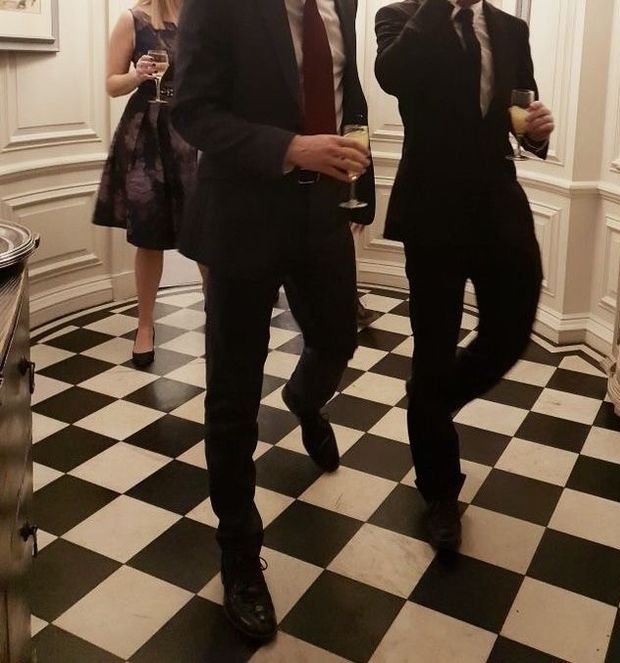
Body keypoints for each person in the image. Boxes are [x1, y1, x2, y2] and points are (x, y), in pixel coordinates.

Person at [172, 0, 375, 642]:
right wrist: (288, 147)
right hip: (243, 219)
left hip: (323, 219)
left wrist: (357, 176)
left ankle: (304, 398)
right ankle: (239, 555)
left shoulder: (339, 4)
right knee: (233, 396)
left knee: (338, 339)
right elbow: (192, 110)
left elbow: (349, 96)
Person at [375, 0, 554, 551]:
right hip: (432, 204)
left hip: (498, 200)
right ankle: (440, 495)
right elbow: (392, 76)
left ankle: (430, 403)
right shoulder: (400, 17)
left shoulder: (509, 28)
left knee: (511, 328)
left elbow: (519, 112)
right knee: (433, 344)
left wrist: (537, 132)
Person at [93, 0, 206, 368]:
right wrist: (137, 76)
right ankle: (144, 326)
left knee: (204, 232)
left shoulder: (200, 15)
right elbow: (111, 84)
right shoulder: (134, 19)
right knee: (149, 234)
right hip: (148, 134)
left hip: (193, 132)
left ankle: (218, 318)